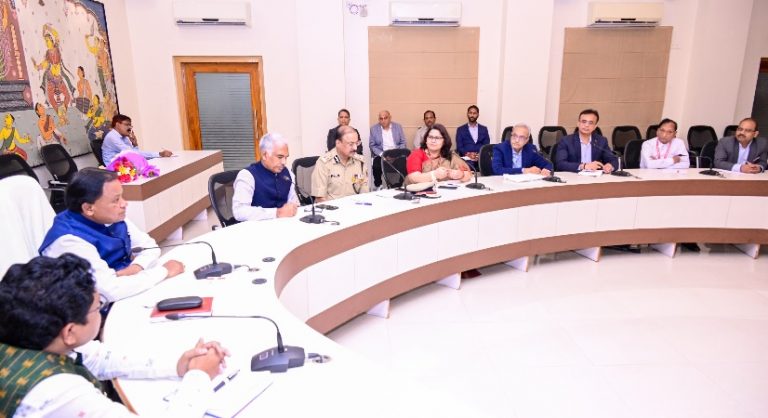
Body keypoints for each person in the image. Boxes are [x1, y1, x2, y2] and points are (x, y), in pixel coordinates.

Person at [0, 254, 229, 417]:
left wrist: (180, 364)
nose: (100, 309)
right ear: (69, 331)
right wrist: (199, 376)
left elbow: (99, 358)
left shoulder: (30, 337)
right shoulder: (57, 391)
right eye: (97, 306)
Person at [39, 168, 184, 302]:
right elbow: (110, 291)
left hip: (126, 290)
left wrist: (136, 267)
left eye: (122, 197)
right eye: (116, 200)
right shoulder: (69, 241)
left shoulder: (108, 215)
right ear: (89, 208)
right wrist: (163, 271)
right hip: (95, 310)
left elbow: (150, 247)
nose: (124, 204)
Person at [232, 132, 299, 221]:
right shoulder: (247, 176)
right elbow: (239, 211)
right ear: (264, 155)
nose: (284, 162)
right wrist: (276, 213)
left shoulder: (288, 174)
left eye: (286, 157)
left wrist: (293, 208)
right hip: (256, 227)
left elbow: (293, 203)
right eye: (280, 157)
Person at [312, 125, 369, 202]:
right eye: (351, 144)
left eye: (357, 143)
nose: (355, 148)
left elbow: (364, 192)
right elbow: (320, 198)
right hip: (333, 208)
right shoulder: (324, 163)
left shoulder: (360, 162)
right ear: (338, 143)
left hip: (355, 206)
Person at [405, 123, 471, 185]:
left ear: (444, 141)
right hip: (417, 192)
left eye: (437, 138)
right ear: (426, 140)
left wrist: (461, 175)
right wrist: (434, 175)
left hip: (445, 191)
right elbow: (414, 178)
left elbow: (469, 173)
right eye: (430, 137)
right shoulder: (416, 154)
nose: (433, 141)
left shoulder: (450, 156)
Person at [555, 108, 617, 173]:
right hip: (574, 176)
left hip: (594, 176)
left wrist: (610, 166)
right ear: (578, 123)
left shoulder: (601, 141)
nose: (587, 125)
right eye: (584, 122)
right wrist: (583, 166)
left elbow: (613, 160)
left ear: (595, 126)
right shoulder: (566, 141)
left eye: (591, 123)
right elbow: (560, 164)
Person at [101, 114, 172, 165]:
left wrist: (135, 145)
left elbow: (134, 154)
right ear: (117, 125)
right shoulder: (112, 137)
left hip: (125, 165)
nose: (129, 128)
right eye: (127, 124)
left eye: (130, 125)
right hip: (113, 169)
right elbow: (131, 153)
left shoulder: (124, 137)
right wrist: (159, 154)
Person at [369, 110, 407, 189]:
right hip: (382, 154)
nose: (383, 120)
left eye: (385, 118)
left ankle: (396, 185)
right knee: (376, 165)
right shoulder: (374, 129)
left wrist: (396, 154)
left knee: (402, 164)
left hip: (396, 153)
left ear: (390, 118)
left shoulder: (398, 127)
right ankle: (378, 185)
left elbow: (403, 142)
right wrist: (382, 155)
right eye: (381, 118)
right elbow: (372, 145)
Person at [455, 105, 490, 171]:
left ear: (478, 115)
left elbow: (486, 145)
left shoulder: (484, 129)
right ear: (467, 114)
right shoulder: (460, 129)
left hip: (480, 157)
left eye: (474, 113)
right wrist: (468, 154)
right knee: (468, 167)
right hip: (466, 157)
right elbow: (459, 147)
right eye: (470, 113)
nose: (472, 115)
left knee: (488, 166)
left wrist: (479, 154)